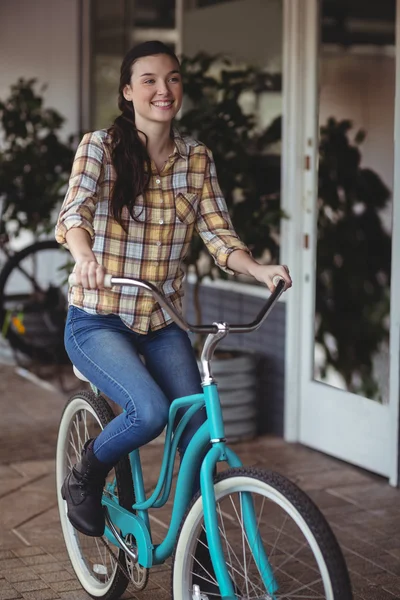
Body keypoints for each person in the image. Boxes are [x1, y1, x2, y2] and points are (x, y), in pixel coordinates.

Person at [55, 41, 292, 543]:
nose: (164, 90)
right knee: (152, 411)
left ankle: (196, 554)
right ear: (128, 92)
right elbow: (73, 214)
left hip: (163, 323)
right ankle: (85, 475)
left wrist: (258, 268)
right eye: (149, 80)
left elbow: (219, 234)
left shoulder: (197, 159)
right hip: (98, 318)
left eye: (173, 79)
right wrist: (85, 258)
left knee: (199, 436)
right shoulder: (100, 147)